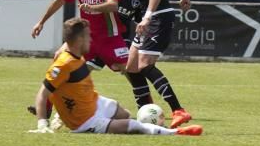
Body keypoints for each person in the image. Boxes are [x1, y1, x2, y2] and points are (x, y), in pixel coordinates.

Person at [29, 17, 202, 136]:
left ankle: (133, 124)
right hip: (86, 121)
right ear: (79, 40)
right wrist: (42, 124)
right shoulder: (63, 64)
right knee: (133, 126)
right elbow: (43, 94)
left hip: (95, 102)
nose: (91, 40)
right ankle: (175, 133)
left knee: (125, 114)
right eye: (88, 36)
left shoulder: (77, 54)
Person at [109, 0, 194, 129]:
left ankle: (178, 111)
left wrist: (147, 16)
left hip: (157, 18)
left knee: (145, 65)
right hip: (152, 17)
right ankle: (147, 111)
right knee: (131, 67)